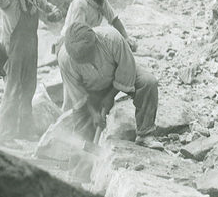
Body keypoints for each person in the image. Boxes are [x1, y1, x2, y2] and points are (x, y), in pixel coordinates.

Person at [0, 0, 62, 142]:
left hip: (30, 52)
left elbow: (50, 10)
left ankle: (24, 131)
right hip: (12, 52)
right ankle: (5, 135)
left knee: (28, 91)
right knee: (12, 92)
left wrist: (55, 13)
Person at [58, 21, 163, 149]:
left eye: (91, 56)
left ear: (95, 42)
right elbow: (77, 94)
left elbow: (126, 69)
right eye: (83, 61)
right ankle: (81, 161)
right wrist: (94, 112)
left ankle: (145, 135)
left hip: (117, 75)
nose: (89, 61)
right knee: (81, 134)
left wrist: (110, 96)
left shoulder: (112, 39)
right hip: (91, 90)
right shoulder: (65, 59)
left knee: (148, 82)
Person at [62, 0, 136, 50]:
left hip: (88, 39)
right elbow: (78, 32)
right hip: (72, 42)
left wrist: (126, 38)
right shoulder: (80, 3)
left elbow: (114, 20)